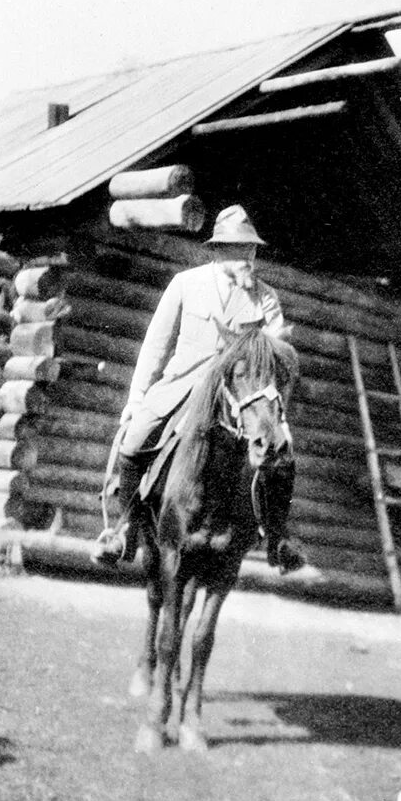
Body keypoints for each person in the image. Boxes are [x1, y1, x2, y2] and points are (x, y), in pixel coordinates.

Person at [92, 204, 305, 573]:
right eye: (239, 250)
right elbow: (156, 345)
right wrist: (137, 398)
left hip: (237, 397)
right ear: (219, 250)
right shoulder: (186, 283)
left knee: (281, 454)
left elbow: (275, 354)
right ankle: (124, 531)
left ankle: (279, 539)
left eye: (251, 250)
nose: (247, 258)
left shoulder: (266, 298)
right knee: (133, 440)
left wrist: (278, 345)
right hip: (181, 388)